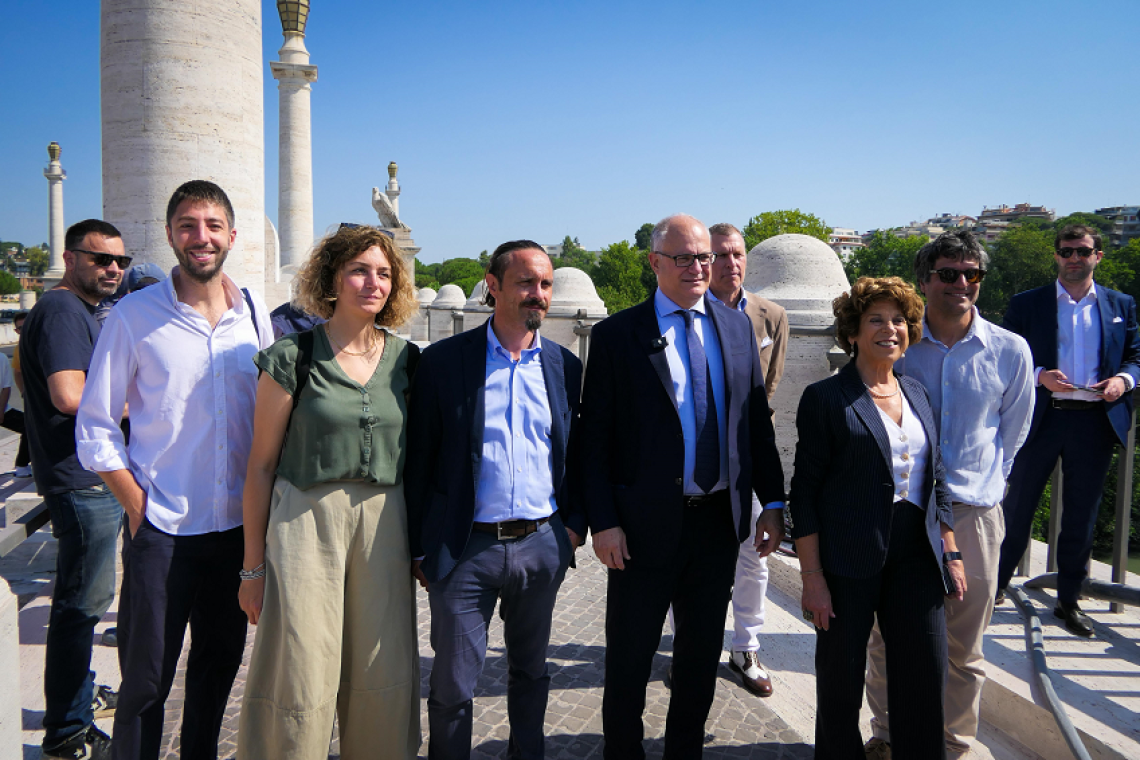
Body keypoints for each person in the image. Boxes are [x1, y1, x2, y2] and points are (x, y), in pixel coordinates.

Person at [76, 180, 272, 760]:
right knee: (145, 684)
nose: (200, 237)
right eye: (187, 225)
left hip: (235, 532)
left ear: (231, 235)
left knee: (216, 674)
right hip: (161, 530)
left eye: (212, 226)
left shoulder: (254, 316)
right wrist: (136, 505)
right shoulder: (134, 316)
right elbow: (95, 425)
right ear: (169, 235)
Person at [578, 214, 785, 759]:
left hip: (718, 524)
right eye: (684, 258)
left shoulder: (737, 328)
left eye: (704, 257)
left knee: (698, 659)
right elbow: (593, 438)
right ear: (655, 263)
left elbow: (755, 424)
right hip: (641, 530)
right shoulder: (618, 335)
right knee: (630, 658)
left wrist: (773, 501)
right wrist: (604, 522)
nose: (699, 267)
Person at [236, 225, 421, 759]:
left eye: (383, 273)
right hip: (304, 523)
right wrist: (252, 569)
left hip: (385, 525)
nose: (373, 282)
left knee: (382, 664)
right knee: (300, 666)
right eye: (359, 270)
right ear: (332, 278)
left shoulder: (408, 361)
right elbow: (260, 467)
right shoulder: (291, 357)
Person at [405, 240, 585, 760]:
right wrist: (419, 546)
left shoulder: (564, 366)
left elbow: (578, 452)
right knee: (452, 685)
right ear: (493, 285)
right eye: (526, 282)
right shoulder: (443, 362)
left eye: (545, 284)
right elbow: (419, 460)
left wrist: (572, 529)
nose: (538, 294)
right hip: (465, 550)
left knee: (532, 672)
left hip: (542, 544)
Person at [862, 232, 1034, 760]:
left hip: (974, 514)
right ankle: (887, 737)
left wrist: (983, 487)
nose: (961, 282)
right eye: (948, 273)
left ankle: (953, 745)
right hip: (902, 511)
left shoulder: (1009, 350)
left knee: (965, 646)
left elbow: (1014, 432)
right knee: (886, 634)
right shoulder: (899, 345)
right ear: (925, 280)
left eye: (971, 273)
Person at [790, 277, 965, 759]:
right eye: (876, 320)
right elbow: (804, 493)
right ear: (852, 332)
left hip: (917, 555)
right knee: (840, 684)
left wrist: (950, 550)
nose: (890, 329)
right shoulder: (826, 398)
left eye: (899, 320)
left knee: (925, 678)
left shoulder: (917, 392)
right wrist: (812, 578)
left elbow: (937, 476)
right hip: (847, 559)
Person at [996, 224, 1140, 637]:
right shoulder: (1028, 303)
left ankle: (1068, 600)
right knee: (1017, 508)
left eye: (1082, 251)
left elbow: (1135, 356)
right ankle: (995, 586)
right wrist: (1040, 375)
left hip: (1094, 422)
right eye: (1066, 251)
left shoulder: (1121, 304)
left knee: (1082, 515)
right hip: (1041, 419)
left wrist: (1123, 381)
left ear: (1098, 256)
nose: (1074, 258)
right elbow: (1004, 357)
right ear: (1056, 255)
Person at [23, 219, 128, 760]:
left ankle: (79, 696)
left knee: (85, 599)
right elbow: (68, 394)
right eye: (100, 259)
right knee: (81, 606)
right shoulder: (64, 309)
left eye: (120, 261)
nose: (112, 269)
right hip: (81, 481)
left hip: (85, 478)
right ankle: (67, 730)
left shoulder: (74, 310)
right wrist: (144, 403)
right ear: (69, 258)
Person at [707, 221, 788, 697]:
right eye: (719, 255)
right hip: (696, 458)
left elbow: (768, 387)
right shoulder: (687, 311)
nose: (730, 263)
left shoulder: (771, 316)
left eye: (736, 254)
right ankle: (689, 646)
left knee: (754, 555)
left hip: (749, 454)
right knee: (691, 559)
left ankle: (746, 647)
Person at [0, 349, 30, 478]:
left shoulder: (2, 358)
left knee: (30, 427)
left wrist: (1, 411)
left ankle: (22, 466)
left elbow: (6, 387)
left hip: (3, 408)